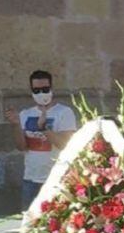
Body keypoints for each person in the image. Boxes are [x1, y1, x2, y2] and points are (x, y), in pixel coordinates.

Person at [5, 70, 77, 209]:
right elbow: (22, 146)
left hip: (57, 179)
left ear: (51, 88)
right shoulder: (25, 114)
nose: (41, 93)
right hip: (31, 179)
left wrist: (43, 128)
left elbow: (65, 145)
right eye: (36, 90)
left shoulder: (64, 112)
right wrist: (16, 125)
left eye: (45, 89)